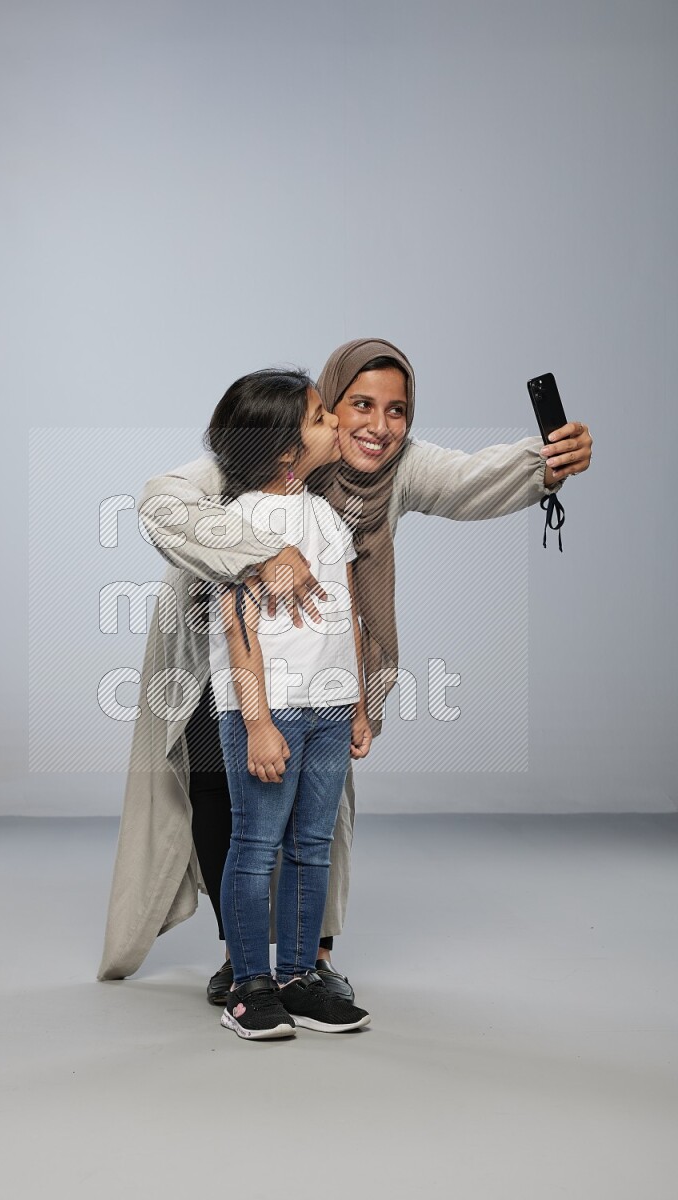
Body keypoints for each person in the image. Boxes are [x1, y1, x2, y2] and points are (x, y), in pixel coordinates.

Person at [97, 337, 593, 998]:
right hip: (216, 644)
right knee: (222, 794)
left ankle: (311, 958)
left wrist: (546, 461)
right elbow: (163, 503)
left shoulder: (394, 469)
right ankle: (239, 959)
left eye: (398, 410)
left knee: (318, 811)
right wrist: (259, 552)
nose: (378, 426)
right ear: (324, 408)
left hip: (318, 663)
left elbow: (471, 477)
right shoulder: (255, 459)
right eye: (358, 405)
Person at [203, 367, 372, 1039]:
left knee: (312, 845)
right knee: (256, 843)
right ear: (282, 447)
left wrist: (356, 704)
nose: (336, 424)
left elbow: (348, 614)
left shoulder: (328, 516)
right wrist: (257, 721)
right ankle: (249, 986)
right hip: (269, 714)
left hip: (330, 709)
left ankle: (299, 977)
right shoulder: (237, 522)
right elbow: (236, 626)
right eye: (320, 418)